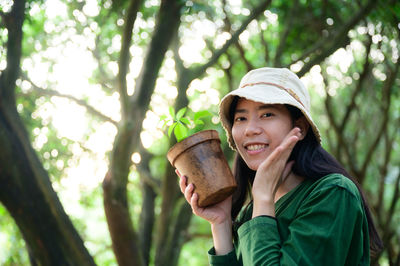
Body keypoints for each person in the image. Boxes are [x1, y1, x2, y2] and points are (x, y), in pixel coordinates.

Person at [176, 67, 383, 265]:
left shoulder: (333, 193)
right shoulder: (250, 214)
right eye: (241, 118)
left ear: (299, 127)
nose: (250, 129)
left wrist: (263, 199)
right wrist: (221, 223)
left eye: (267, 114)